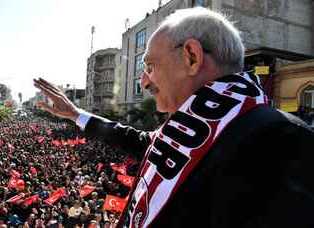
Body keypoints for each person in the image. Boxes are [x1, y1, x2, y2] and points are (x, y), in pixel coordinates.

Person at [34, 7, 314, 228]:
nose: (144, 82)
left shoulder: (281, 140)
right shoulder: (186, 129)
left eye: (150, 67)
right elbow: (140, 142)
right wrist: (75, 114)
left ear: (192, 57)